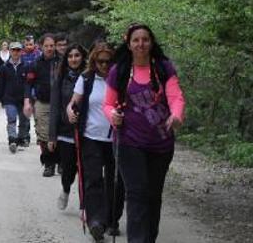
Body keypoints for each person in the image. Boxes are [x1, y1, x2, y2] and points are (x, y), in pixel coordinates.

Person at [104, 24, 185, 243]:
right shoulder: (119, 71)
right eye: (136, 40)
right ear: (128, 44)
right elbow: (108, 104)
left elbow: (176, 96)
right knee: (137, 193)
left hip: (161, 143)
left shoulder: (163, 68)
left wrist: (176, 115)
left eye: (145, 40)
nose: (141, 44)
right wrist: (113, 115)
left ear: (151, 42)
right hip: (129, 141)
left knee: (153, 196)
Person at [67, 42, 125, 241]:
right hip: (91, 136)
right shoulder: (86, 79)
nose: (104, 65)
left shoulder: (120, 79)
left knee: (115, 181)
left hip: (116, 138)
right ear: (94, 61)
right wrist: (70, 111)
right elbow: (74, 102)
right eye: (100, 61)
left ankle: (112, 220)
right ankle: (96, 222)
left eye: (108, 62)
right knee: (93, 179)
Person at [45, 44, 86, 215]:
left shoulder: (89, 77)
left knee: (87, 171)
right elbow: (54, 108)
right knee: (68, 168)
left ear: (83, 57)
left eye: (77, 55)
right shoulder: (60, 78)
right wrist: (52, 136)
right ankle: (66, 189)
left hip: (86, 131)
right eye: (70, 56)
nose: (74, 59)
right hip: (66, 131)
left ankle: (86, 205)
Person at [25, 33, 60, 177]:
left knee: (60, 134)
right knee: (44, 134)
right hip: (42, 102)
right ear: (41, 47)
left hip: (60, 103)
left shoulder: (62, 61)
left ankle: (61, 162)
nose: (49, 48)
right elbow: (28, 83)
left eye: (52, 46)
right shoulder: (35, 64)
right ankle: (49, 164)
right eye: (46, 46)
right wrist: (27, 101)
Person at [0, 41, 30, 153]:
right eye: (13, 50)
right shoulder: (4, 67)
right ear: (10, 51)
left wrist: (29, 98)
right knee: (11, 118)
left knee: (24, 120)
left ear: (21, 52)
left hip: (23, 98)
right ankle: (12, 140)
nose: (16, 52)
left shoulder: (26, 66)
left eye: (18, 50)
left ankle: (22, 137)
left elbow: (29, 83)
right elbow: (0, 84)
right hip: (9, 98)